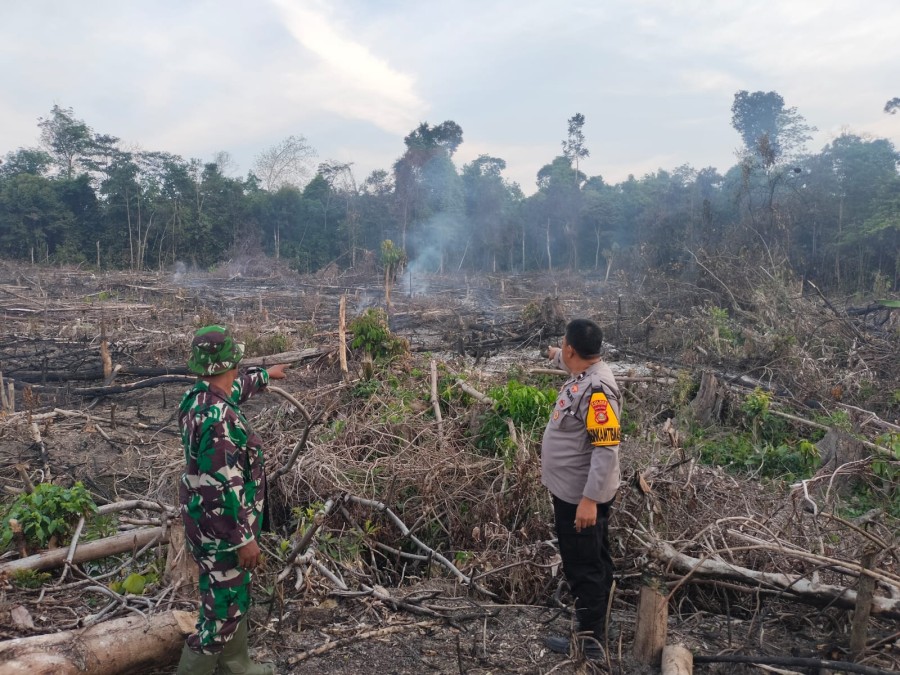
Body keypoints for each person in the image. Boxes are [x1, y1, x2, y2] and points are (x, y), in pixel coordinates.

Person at [175, 325, 288, 675]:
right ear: (229, 364)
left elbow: (234, 388)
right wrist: (244, 539)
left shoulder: (199, 399)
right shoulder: (219, 422)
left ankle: (238, 668)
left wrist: (265, 376)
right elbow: (220, 488)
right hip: (223, 530)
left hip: (206, 526)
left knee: (230, 596)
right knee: (221, 614)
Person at [540, 318, 621, 660]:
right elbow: (571, 362)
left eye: (564, 346)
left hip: (580, 497)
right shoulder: (586, 371)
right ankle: (596, 628)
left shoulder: (598, 391)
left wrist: (589, 501)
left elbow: (606, 449)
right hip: (573, 492)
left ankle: (590, 645)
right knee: (593, 560)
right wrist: (556, 354)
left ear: (574, 349)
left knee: (583, 566)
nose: (563, 352)